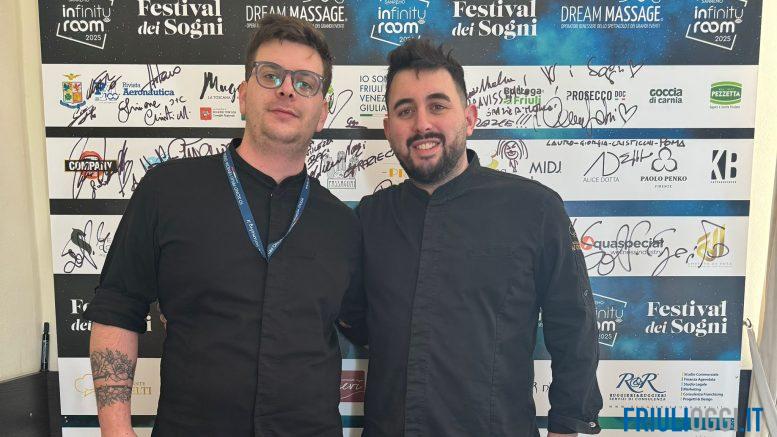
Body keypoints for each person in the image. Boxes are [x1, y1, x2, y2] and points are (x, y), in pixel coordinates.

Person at [84, 15, 360, 436]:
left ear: (322, 113)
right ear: (243, 96)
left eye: (305, 82)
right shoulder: (167, 191)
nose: (287, 89)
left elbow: (361, 321)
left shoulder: (342, 224)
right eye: (271, 75)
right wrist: (116, 431)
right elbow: (116, 309)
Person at [338, 38, 603, 437]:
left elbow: (574, 325)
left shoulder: (535, 209)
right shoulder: (369, 218)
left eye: (437, 106)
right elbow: (357, 321)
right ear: (389, 129)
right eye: (405, 111)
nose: (422, 124)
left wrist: (567, 426)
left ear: (469, 118)